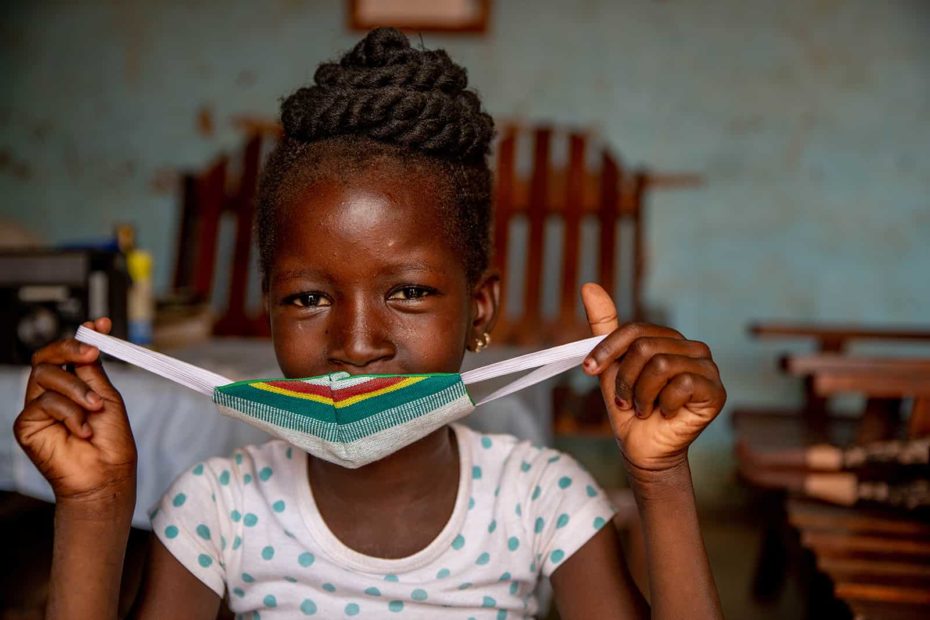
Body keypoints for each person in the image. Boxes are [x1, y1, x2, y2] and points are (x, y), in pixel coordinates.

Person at [14, 28, 725, 619]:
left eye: (409, 292)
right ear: (267, 311)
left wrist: (659, 479)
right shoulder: (215, 508)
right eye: (308, 300)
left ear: (479, 309)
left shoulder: (541, 501)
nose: (356, 344)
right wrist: (94, 507)